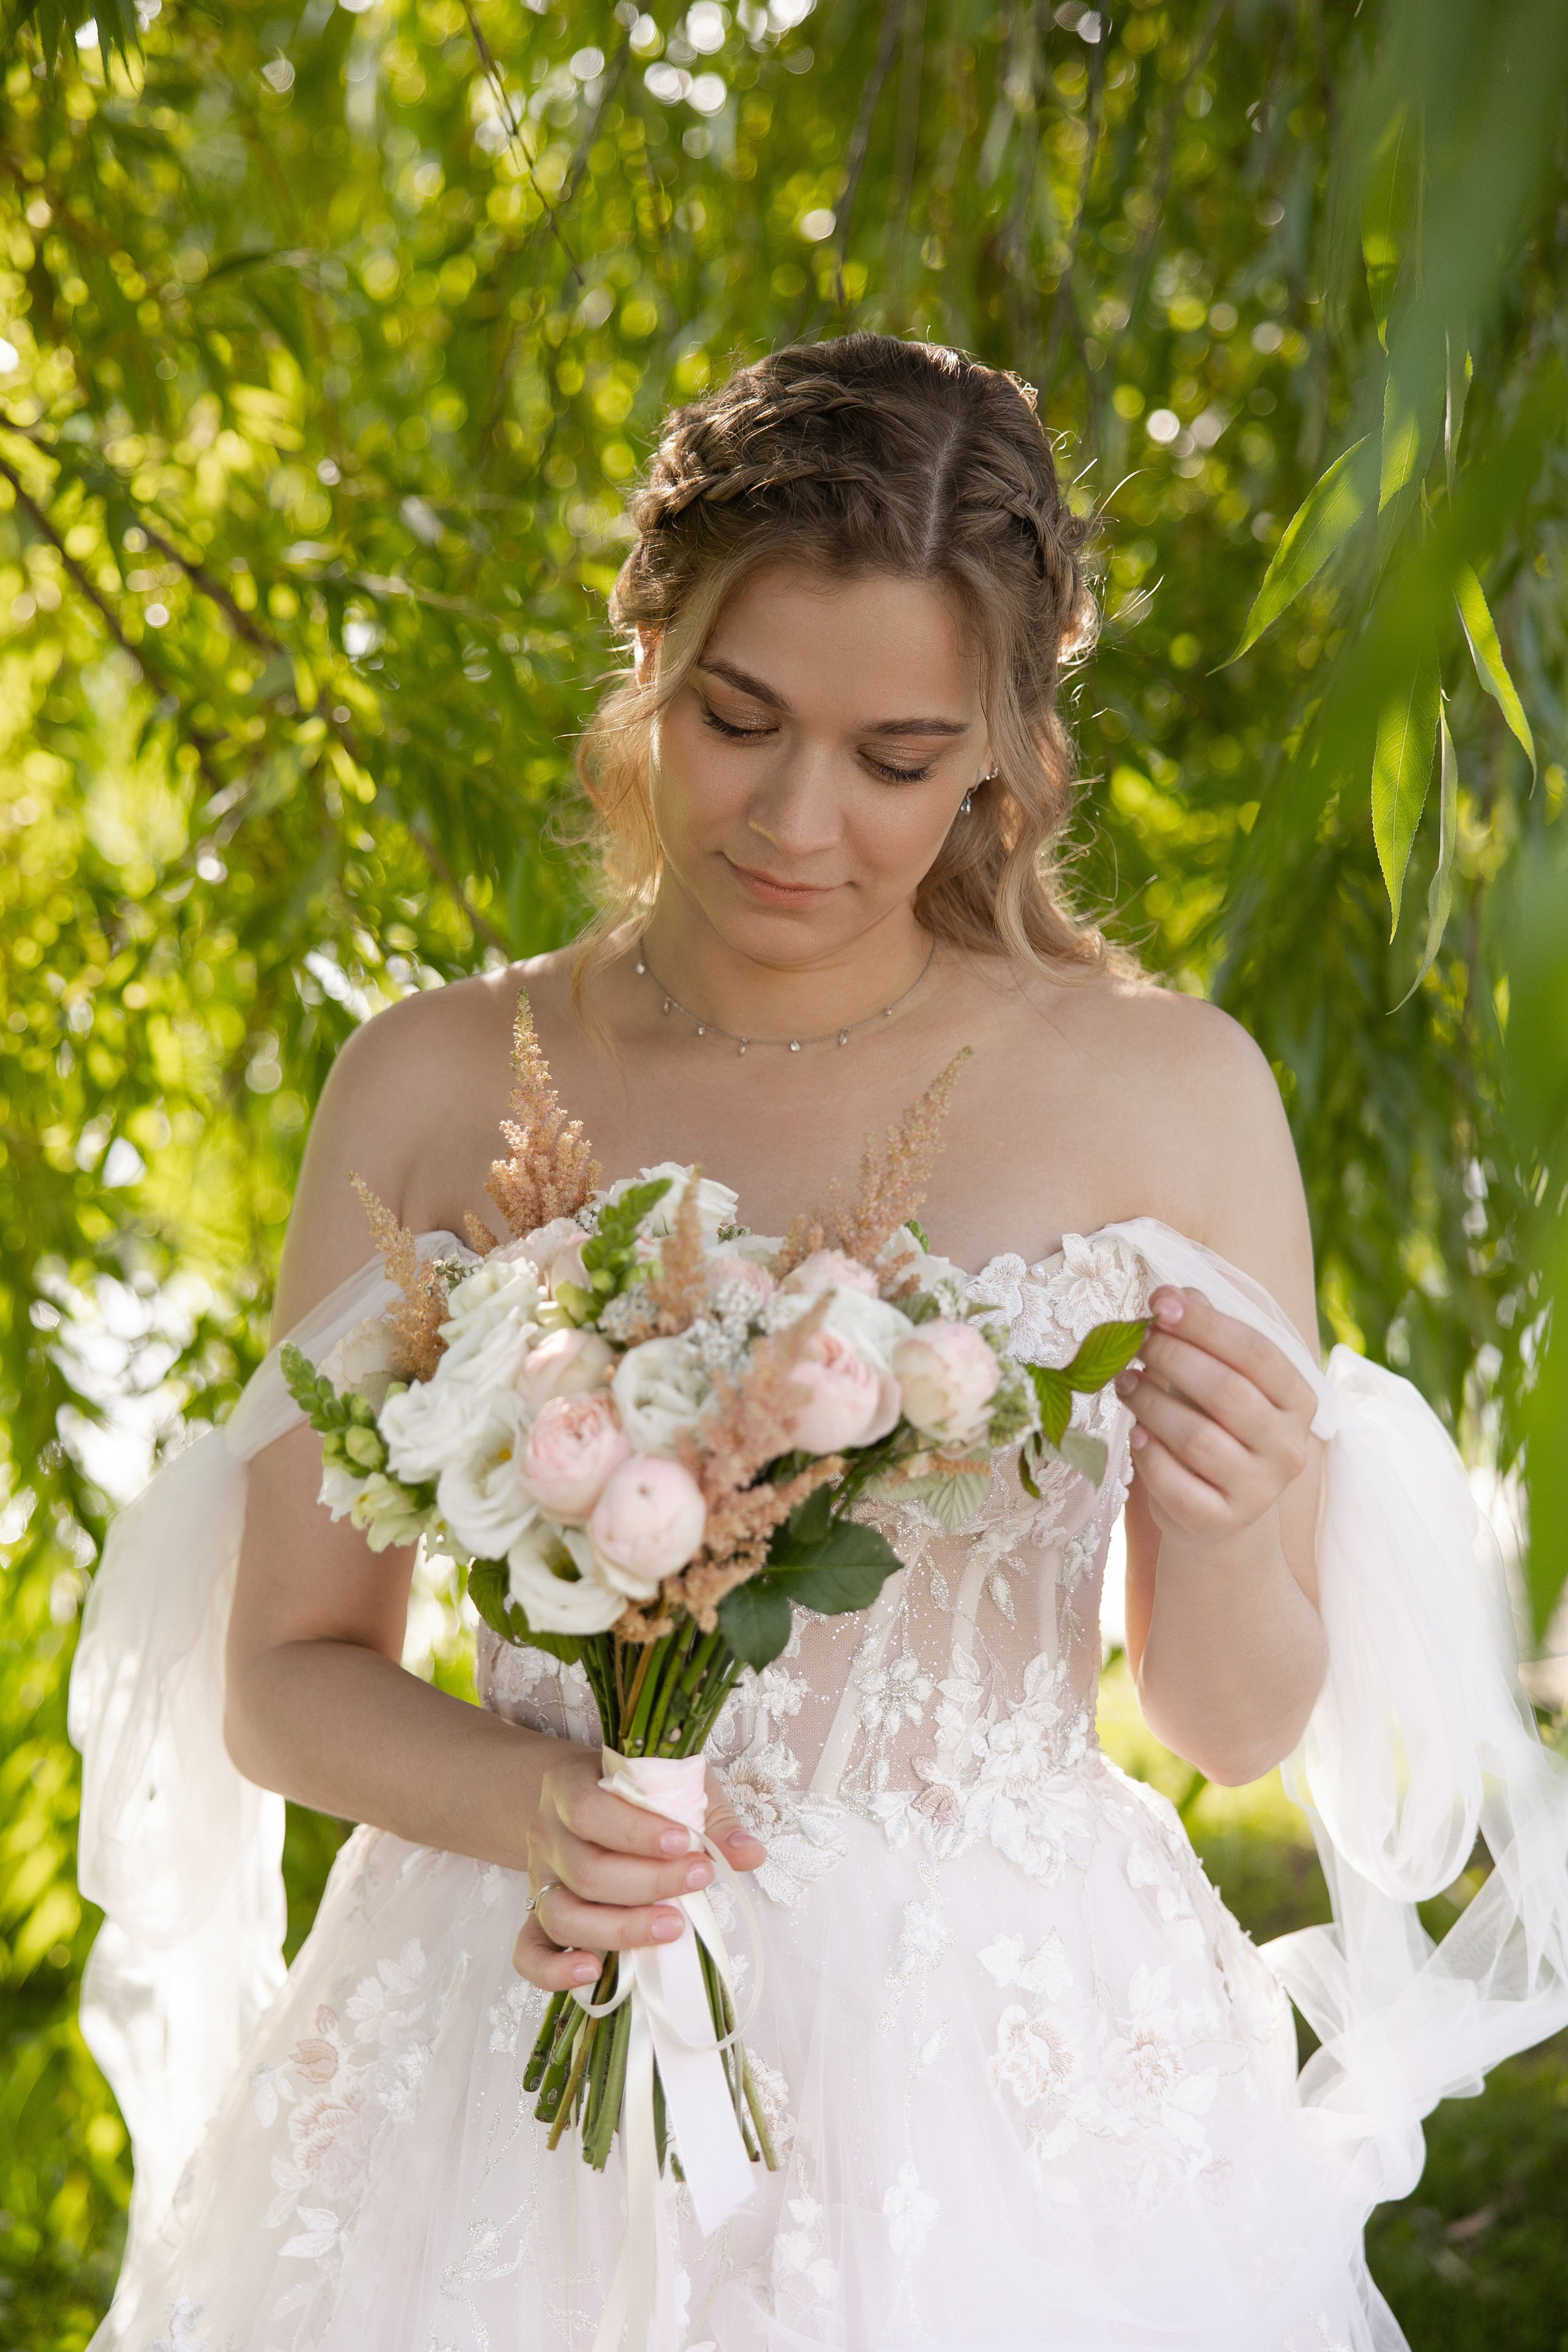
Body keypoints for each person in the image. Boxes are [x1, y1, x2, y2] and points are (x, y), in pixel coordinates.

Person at [72, 334, 1568, 2352]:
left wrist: (1225, 1521)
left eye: (893, 755)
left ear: (1003, 757)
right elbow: (286, 1675)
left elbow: (1228, 1725)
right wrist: (541, 1816)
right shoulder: (434, 1079)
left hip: (1009, 2066)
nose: (796, 821)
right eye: (739, 717)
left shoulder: (1169, 1093)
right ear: (650, 660)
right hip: (523, 2002)